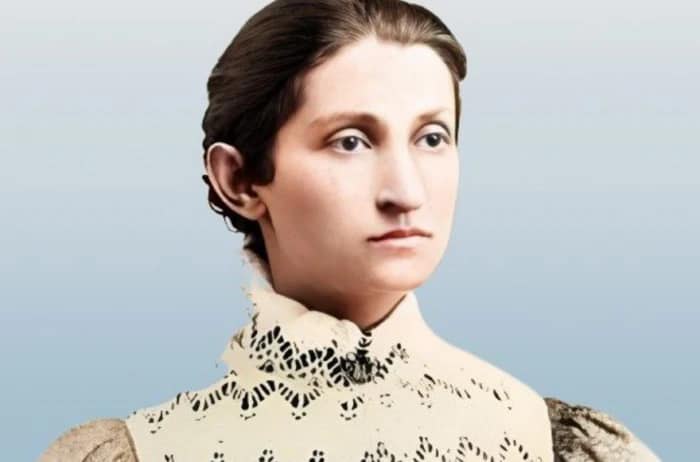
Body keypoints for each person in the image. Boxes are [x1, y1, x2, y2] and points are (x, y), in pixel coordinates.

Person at [39, 1, 662, 461]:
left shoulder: (548, 443)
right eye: (350, 142)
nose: (407, 192)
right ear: (240, 180)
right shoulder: (144, 450)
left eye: (432, 138)